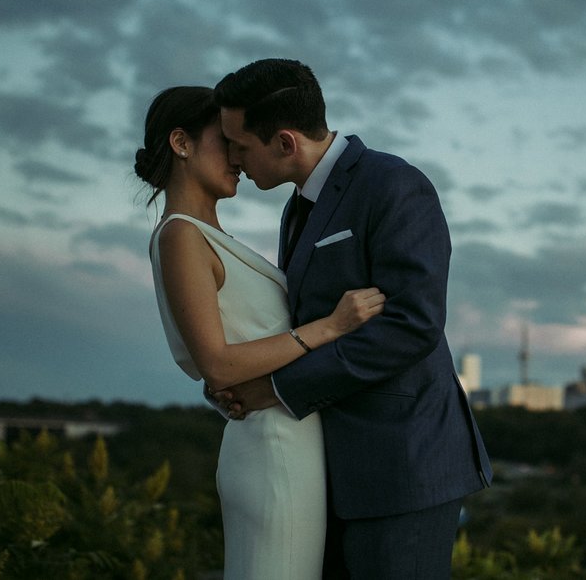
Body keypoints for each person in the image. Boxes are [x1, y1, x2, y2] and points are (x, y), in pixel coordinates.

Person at [213, 59, 493, 579]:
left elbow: (412, 324)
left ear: (285, 142)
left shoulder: (395, 185)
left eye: (239, 144)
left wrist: (280, 388)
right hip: (332, 470)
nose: (232, 157)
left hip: (402, 466)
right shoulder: (295, 208)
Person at [134, 85, 386, 580]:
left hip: (288, 437)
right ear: (181, 143)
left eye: (238, 143)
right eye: (222, 141)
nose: (236, 157)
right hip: (273, 448)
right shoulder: (181, 234)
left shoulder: (210, 237)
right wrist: (328, 328)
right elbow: (217, 363)